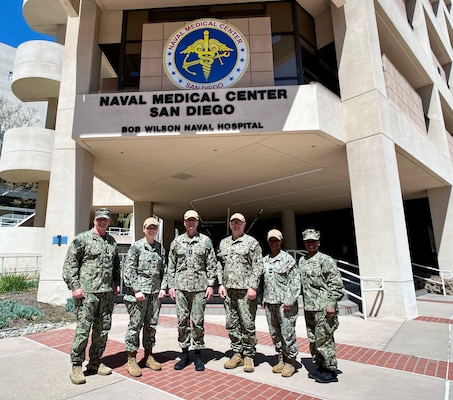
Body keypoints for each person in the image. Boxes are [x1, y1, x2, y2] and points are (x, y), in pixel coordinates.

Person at [62, 208, 120, 385]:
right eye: (99, 219)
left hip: (106, 293)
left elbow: (116, 265)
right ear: (95, 220)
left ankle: (95, 361)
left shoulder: (111, 241)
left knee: (102, 329)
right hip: (87, 294)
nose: (102, 222)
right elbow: (70, 264)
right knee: (83, 329)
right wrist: (75, 287)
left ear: (109, 222)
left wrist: (116, 283)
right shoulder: (82, 239)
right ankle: (77, 365)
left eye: (105, 220)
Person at [167, 209, 217, 371]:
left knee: (197, 322)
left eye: (193, 220)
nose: (191, 223)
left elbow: (211, 264)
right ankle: (184, 353)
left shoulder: (205, 241)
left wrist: (211, 285)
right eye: (188, 220)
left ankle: (197, 355)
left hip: (199, 288)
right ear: (184, 222)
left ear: (197, 222)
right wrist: (171, 285)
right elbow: (171, 265)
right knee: (182, 321)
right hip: (181, 288)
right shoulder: (176, 242)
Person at [217, 212, 263, 373]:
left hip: (245, 291)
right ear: (230, 225)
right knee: (231, 323)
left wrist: (253, 286)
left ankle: (249, 355)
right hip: (229, 291)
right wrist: (221, 284)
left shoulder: (252, 243)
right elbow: (219, 265)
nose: (236, 225)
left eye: (239, 222)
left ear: (244, 224)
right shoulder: (224, 243)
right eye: (233, 222)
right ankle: (237, 353)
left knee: (247, 323)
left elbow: (258, 266)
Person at [123, 217, 167, 377]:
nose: (152, 230)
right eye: (149, 227)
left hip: (154, 295)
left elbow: (165, 270)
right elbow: (129, 271)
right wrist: (136, 290)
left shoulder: (160, 249)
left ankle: (148, 355)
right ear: (144, 229)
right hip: (139, 296)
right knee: (135, 326)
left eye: (154, 227)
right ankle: (131, 359)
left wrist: (163, 287)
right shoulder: (136, 247)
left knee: (151, 326)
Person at [299, 228, 344, 383]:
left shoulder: (326, 260)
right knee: (313, 339)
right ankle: (320, 366)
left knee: (324, 340)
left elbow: (336, 284)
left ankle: (330, 370)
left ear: (318, 242)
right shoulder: (302, 261)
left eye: (313, 241)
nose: (310, 244)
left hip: (324, 308)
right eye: (307, 242)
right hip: (310, 308)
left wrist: (331, 303)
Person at [261, 229, 300, 378]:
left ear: (281, 241)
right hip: (270, 303)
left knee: (287, 332)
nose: (273, 242)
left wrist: (289, 300)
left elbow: (295, 281)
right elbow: (263, 282)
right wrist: (263, 299)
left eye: (276, 240)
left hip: (285, 304)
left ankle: (290, 361)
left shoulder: (288, 259)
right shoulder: (265, 260)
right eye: (271, 240)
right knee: (275, 332)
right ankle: (281, 358)